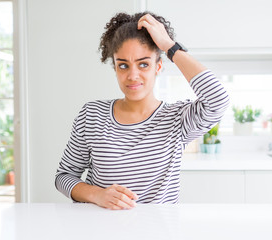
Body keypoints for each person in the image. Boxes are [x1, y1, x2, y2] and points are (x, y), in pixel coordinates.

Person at [55, 12, 229, 210]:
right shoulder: (92, 115)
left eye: (144, 64)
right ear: (115, 69)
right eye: (123, 65)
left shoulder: (177, 120)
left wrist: (169, 46)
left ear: (158, 66)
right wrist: (97, 195)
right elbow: (64, 176)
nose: (132, 75)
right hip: (101, 230)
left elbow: (218, 99)